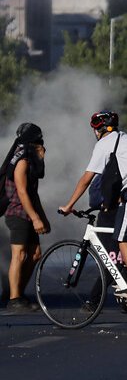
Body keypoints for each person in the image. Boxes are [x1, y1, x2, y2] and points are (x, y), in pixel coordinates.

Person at [59, 111, 127, 303]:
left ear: (99, 130)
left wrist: (69, 205)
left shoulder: (105, 143)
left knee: (122, 238)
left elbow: (86, 179)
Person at [4, 123, 50, 313]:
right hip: (18, 213)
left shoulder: (30, 159)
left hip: (28, 213)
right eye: (39, 141)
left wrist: (42, 217)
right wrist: (35, 218)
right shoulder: (22, 159)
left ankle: (18, 294)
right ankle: (14, 298)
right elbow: (22, 192)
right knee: (20, 254)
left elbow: (33, 193)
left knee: (35, 254)